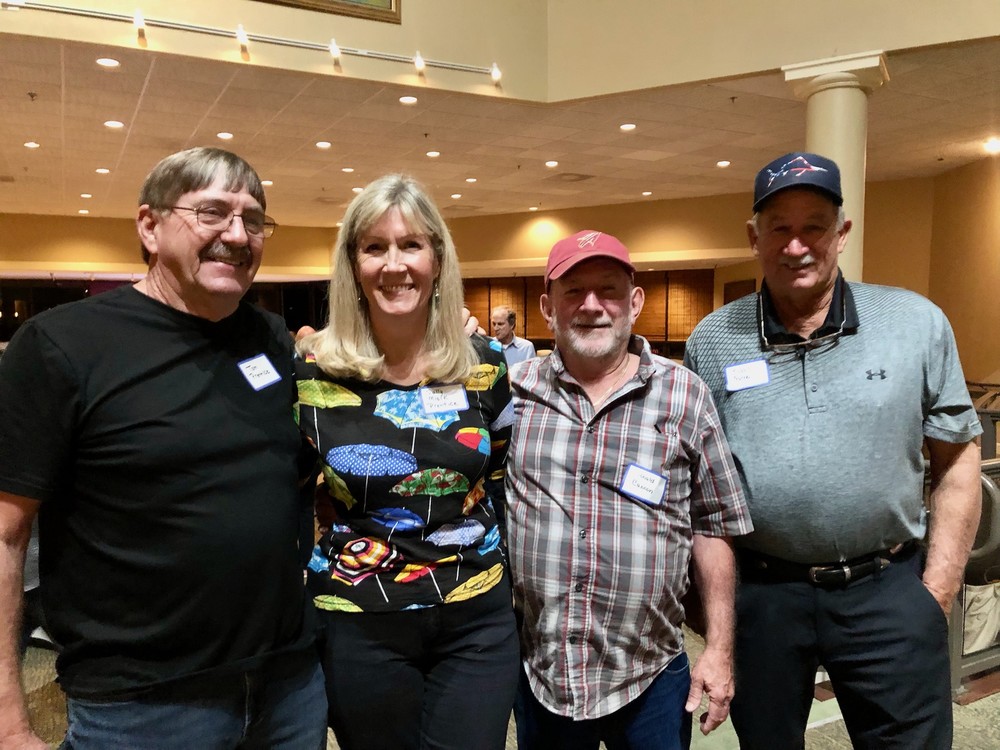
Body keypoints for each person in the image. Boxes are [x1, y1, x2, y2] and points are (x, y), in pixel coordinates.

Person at [0, 147, 327, 750]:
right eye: (212, 212)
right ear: (149, 227)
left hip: (288, 686)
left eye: (254, 220)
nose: (238, 235)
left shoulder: (267, 338)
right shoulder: (61, 346)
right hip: (143, 705)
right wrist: (8, 722)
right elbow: (5, 535)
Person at [684, 151, 983, 749]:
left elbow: (957, 457)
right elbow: (700, 486)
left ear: (842, 233)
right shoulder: (713, 340)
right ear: (754, 238)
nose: (796, 246)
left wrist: (937, 591)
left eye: (814, 227)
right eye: (780, 228)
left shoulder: (914, 322)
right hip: (763, 595)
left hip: (888, 587)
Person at [505, 230, 753, 750]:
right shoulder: (516, 394)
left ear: (635, 302)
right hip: (544, 672)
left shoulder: (685, 394)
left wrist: (719, 649)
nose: (591, 305)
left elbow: (715, 526)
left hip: (650, 674)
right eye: (574, 292)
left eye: (609, 290)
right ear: (548, 308)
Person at [295, 174, 519, 750]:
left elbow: (497, 477)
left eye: (411, 244)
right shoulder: (314, 372)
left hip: (475, 615)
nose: (394, 264)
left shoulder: (484, 363)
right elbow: (289, 487)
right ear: (353, 264)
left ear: (437, 259)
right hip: (359, 618)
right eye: (375, 247)